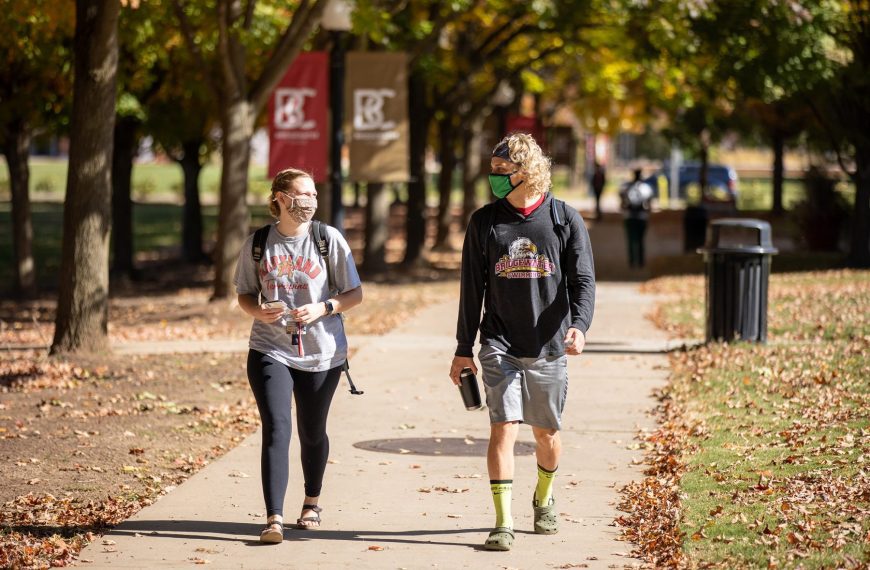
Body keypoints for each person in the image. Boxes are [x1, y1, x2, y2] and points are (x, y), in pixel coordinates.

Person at [449, 133, 596, 551]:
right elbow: (470, 289)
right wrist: (464, 347)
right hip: (499, 341)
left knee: (546, 434)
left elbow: (582, 280)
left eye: (501, 171)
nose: (493, 178)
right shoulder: (485, 222)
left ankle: (544, 497)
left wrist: (580, 326)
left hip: (549, 344)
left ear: (526, 172)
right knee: (504, 427)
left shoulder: (563, 219)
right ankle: (503, 521)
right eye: (492, 170)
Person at [234, 168, 363, 543]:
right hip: (270, 347)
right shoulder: (258, 244)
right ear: (279, 196)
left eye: (313, 195)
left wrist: (323, 308)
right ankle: (273, 517)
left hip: (323, 352)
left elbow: (354, 293)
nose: (309, 201)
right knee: (277, 427)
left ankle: (311, 501)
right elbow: (244, 293)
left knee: (311, 430)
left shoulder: (328, 239)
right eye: (301, 193)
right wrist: (258, 311)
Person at [619, 168, 654, 268]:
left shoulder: (626, 188)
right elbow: (650, 205)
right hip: (642, 217)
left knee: (630, 240)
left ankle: (632, 262)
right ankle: (641, 261)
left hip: (629, 216)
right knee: (641, 240)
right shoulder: (646, 188)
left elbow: (622, 203)